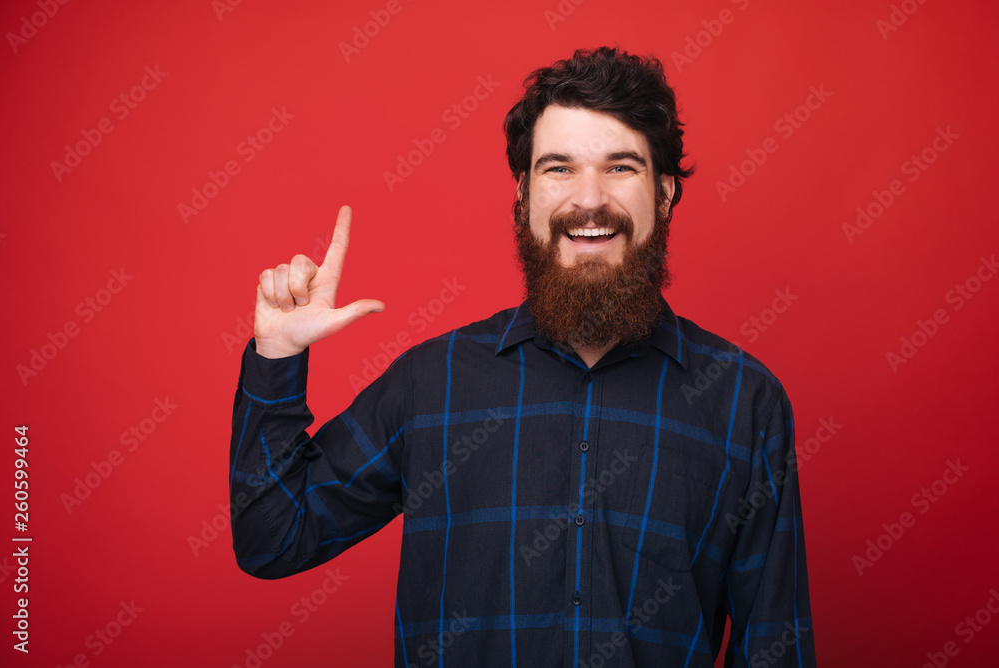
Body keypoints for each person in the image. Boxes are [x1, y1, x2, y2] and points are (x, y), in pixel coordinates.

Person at [230, 46, 816, 667]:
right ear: (523, 194)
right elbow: (273, 538)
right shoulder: (433, 383)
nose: (588, 200)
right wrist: (277, 353)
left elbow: (774, 648)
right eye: (559, 168)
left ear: (665, 192)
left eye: (620, 167)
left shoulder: (744, 402)